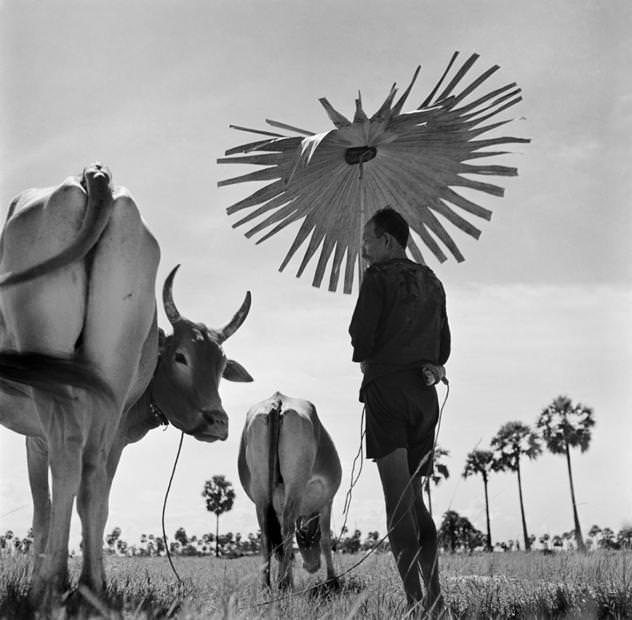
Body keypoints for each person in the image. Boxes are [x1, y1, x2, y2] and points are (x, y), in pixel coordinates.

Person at [348, 207, 450, 616]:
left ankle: (414, 604)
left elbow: (360, 338)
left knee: (397, 502)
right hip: (425, 396)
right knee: (416, 497)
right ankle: (437, 597)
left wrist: (365, 351)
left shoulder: (376, 278)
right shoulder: (433, 281)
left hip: (386, 392)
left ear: (387, 240)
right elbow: (443, 348)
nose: (363, 247)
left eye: (368, 239)